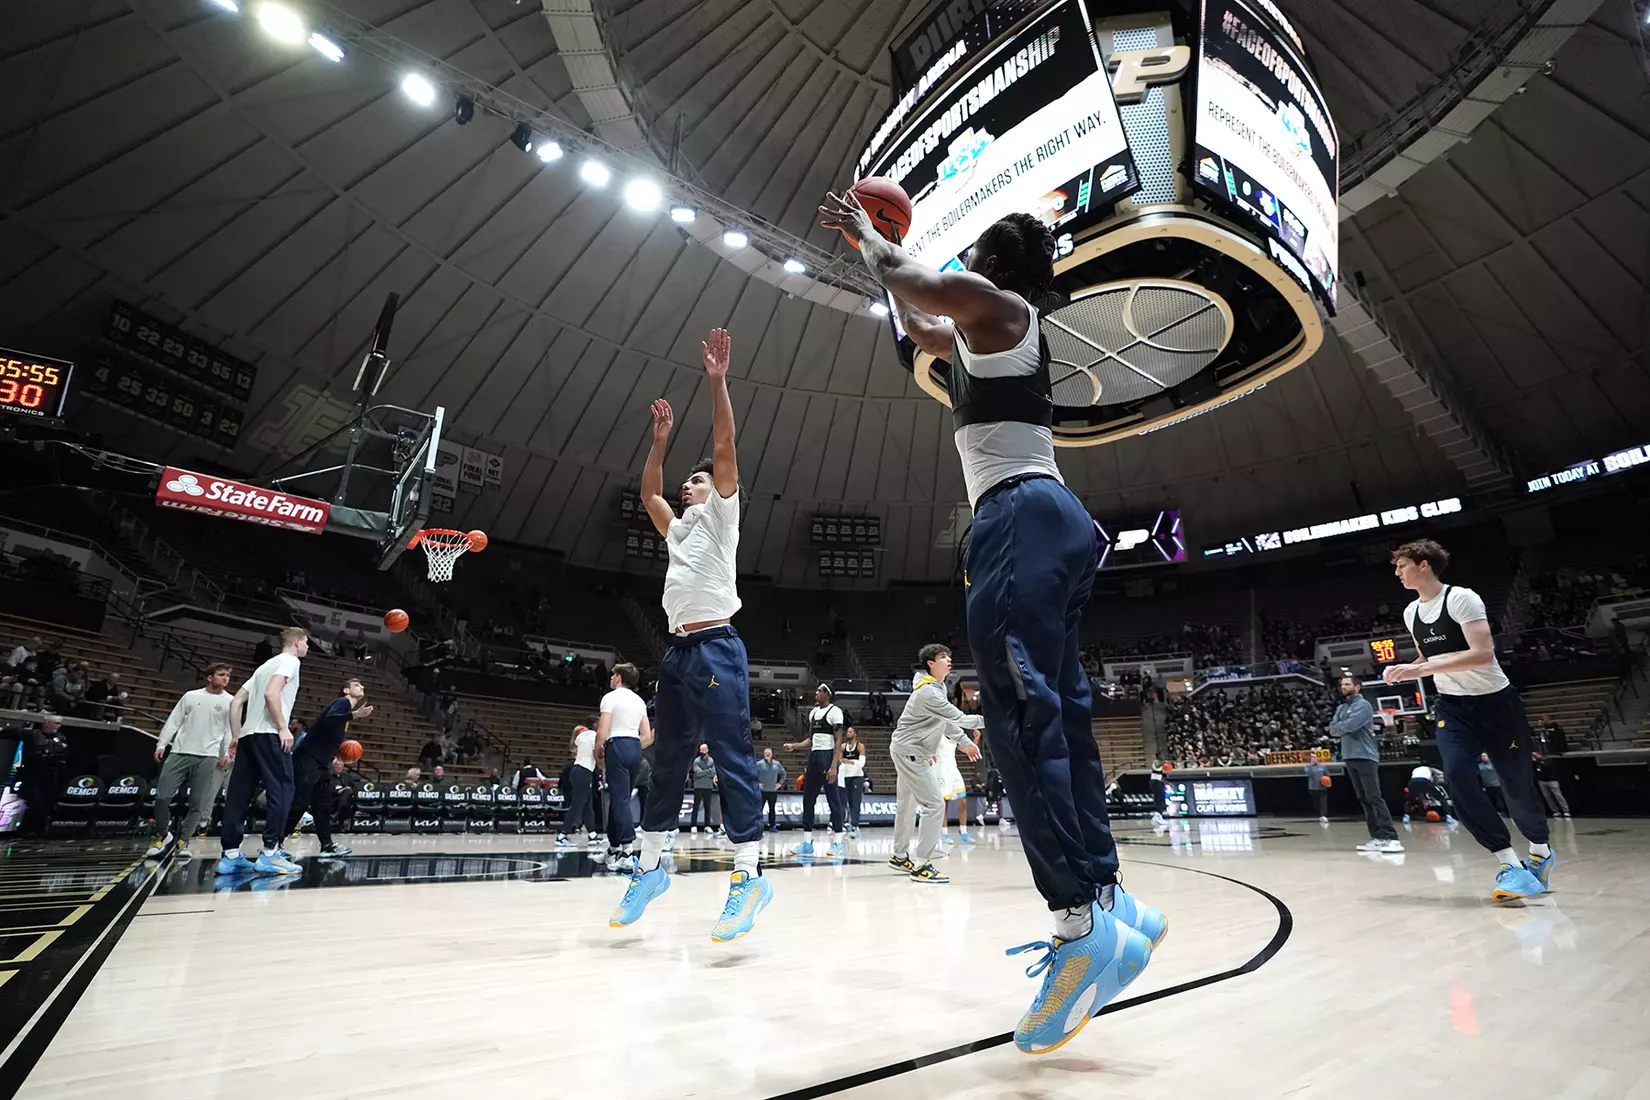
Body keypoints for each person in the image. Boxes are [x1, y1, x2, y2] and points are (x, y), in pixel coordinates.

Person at [822, 196, 1163, 1051]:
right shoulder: (981, 335)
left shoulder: (1007, 309)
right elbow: (914, 323)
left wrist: (878, 242)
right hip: (1048, 522)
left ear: (993, 265)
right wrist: (893, 264)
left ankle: (1080, 928)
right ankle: (1116, 905)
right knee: (1064, 721)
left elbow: (911, 281)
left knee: (1016, 724)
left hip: (1018, 516)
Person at [610, 328, 772, 943]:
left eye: (696, 481)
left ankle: (749, 877)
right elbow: (649, 490)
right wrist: (658, 441)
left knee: (731, 758)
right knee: (668, 761)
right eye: (690, 483)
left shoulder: (723, 513)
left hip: (717, 646)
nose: (688, 485)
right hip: (677, 653)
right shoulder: (678, 530)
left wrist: (716, 381)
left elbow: (726, 442)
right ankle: (649, 866)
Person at [1383, 539, 1553, 901]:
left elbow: (1481, 654)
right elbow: (1427, 657)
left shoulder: (1462, 598)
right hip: (1452, 707)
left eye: (1402, 565)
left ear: (1424, 565)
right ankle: (1510, 863)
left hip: (1496, 705)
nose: (1397, 572)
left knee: (1517, 787)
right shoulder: (1411, 612)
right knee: (1458, 774)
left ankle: (1540, 852)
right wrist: (1407, 670)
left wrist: (1424, 668)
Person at [216, 626, 308, 877]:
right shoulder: (290, 660)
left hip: (248, 736)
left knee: (239, 795)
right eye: (307, 642)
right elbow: (271, 693)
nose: (307, 647)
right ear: (298, 641)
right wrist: (282, 727)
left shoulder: (262, 667)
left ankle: (231, 856)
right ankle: (270, 853)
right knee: (283, 789)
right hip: (269, 734)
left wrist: (236, 735)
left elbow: (236, 702)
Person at [889, 645, 984, 884]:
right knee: (933, 805)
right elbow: (960, 719)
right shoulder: (929, 693)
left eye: (949, 656)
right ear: (930, 663)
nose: (949, 659)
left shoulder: (936, 687)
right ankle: (922, 864)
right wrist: (996, 717)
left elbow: (947, 723)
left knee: (907, 805)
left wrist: (964, 743)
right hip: (912, 752)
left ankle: (900, 855)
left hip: (904, 749)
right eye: (943, 657)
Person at [146, 663, 235, 859]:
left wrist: (227, 753)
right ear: (210, 677)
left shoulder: (230, 701)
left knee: (198, 802)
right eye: (221, 675)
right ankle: (163, 835)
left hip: (208, 756)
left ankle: (183, 840)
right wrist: (162, 744)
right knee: (162, 797)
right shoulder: (191, 696)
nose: (225, 678)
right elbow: (173, 721)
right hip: (180, 751)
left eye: (227, 675)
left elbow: (229, 729)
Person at [284, 677, 372, 858]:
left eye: (362, 684)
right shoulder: (342, 703)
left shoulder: (345, 710)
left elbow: (327, 730)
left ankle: (327, 845)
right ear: (346, 690)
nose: (361, 686)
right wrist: (356, 714)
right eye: (356, 684)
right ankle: (274, 845)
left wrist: (335, 756)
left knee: (322, 805)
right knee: (299, 803)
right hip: (308, 759)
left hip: (322, 762)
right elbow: (331, 719)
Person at [1329, 677, 1401, 854]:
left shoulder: (1364, 705)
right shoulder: (1341, 708)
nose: (1343, 687)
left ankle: (1390, 837)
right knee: (1364, 798)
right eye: (1342, 685)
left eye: (1347, 684)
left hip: (1365, 756)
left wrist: (1341, 726)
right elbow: (1332, 729)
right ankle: (1377, 837)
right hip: (1349, 755)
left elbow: (1350, 726)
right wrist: (1341, 726)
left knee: (1374, 797)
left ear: (1357, 687)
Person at [593, 663, 652, 872]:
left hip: (616, 745)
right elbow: (647, 736)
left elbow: (602, 731)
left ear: (618, 678)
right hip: (635, 747)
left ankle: (627, 851)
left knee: (618, 800)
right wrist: (632, 745)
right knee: (621, 800)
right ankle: (613, 848)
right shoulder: (639, 701)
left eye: (612, 674)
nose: (610, 678)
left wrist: (599, 750)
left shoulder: (610, 698)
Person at [782, 684, 846, 856]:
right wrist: (793, 746)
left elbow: (838, 742)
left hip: (828, 758)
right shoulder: (813, 713)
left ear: (828, 694)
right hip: (814, 758)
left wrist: (834, 766)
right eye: (816, 690)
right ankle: (807, 842)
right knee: (808, 799)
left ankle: (838, 843)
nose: (816, 693)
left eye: (820, 691)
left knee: (834, 800)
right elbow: (811, 740)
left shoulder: (835, 712)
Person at [935, 685, 979, 848]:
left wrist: (974, 741)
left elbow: (963, 748)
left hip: (953, 768)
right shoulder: (937, 729)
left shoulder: (954, 730)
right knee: (944, 803)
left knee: (962, 800)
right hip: (940, 769)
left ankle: (964, 832)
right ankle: (944, 834)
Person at [557, 721, 600, 848]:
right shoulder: (591, 735)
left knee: (587, 805)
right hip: (584, 772)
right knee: (578, 804)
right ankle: (562, 835)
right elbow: (598, 752)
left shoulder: (580, 738)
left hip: (578, 771)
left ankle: (592, 835)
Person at [838, 727, 867, 836]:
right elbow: (840, 760)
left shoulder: (860, 746)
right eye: (847, 732)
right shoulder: (842, 747)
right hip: (846, 776)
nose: (848, 733)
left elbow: (862, 763)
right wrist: (852, 762)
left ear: (855, 734)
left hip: (857, 776)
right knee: (847, 801)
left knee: (856, 802)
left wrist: (849, 762)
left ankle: (855, 825)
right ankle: (848, 823)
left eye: (850, 732)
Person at [755, 747, 786, 832]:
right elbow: (752, 774)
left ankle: (772, 826)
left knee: (772, 809)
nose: (767, 754)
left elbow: (783, 774)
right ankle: (758, 827)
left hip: (773, 791)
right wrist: (757, 783)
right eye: (766, 753)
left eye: (769, 753)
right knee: (759, 810)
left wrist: (780, 783)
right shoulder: (759, 764)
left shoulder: (777, 764)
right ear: (763, 754)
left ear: (772, 754)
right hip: (762, 792)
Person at [688, 744, 717, 832]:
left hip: (708, 787)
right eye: (700, 750)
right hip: (698, 786)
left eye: (703, 750)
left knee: (707, 807)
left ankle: (707, 825)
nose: (701, 752)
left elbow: (713, 773)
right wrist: (708, 771)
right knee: (696, 806)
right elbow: (697, 774)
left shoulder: (711, 760)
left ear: (707, 750)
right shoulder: (696, 761)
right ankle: (693, 825)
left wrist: (705, 772)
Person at [1533, 752, 1571, 818]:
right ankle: (1555, 811)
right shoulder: (1535, 763)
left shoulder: (1547, 760)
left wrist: (1537, 761)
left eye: (1536, 754)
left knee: (1558, 796)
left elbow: (1545, 766)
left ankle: (1566, 811)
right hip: (1542, 781)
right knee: (1548, 797)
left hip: (1552, 781)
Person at [1304, 756, 1329, 825]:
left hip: (1322, 787)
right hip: (1313, 787)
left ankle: (1324, 815)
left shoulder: (1323, 766)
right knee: (1316, 803)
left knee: (1323, 802)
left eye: (1315, 758)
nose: (1314, 759)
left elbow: (1327, 775)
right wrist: (1311, 765)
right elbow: (1308, 773)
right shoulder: (1308, 766)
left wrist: (1327, 783)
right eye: (1312, 758)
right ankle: (1320, 814)